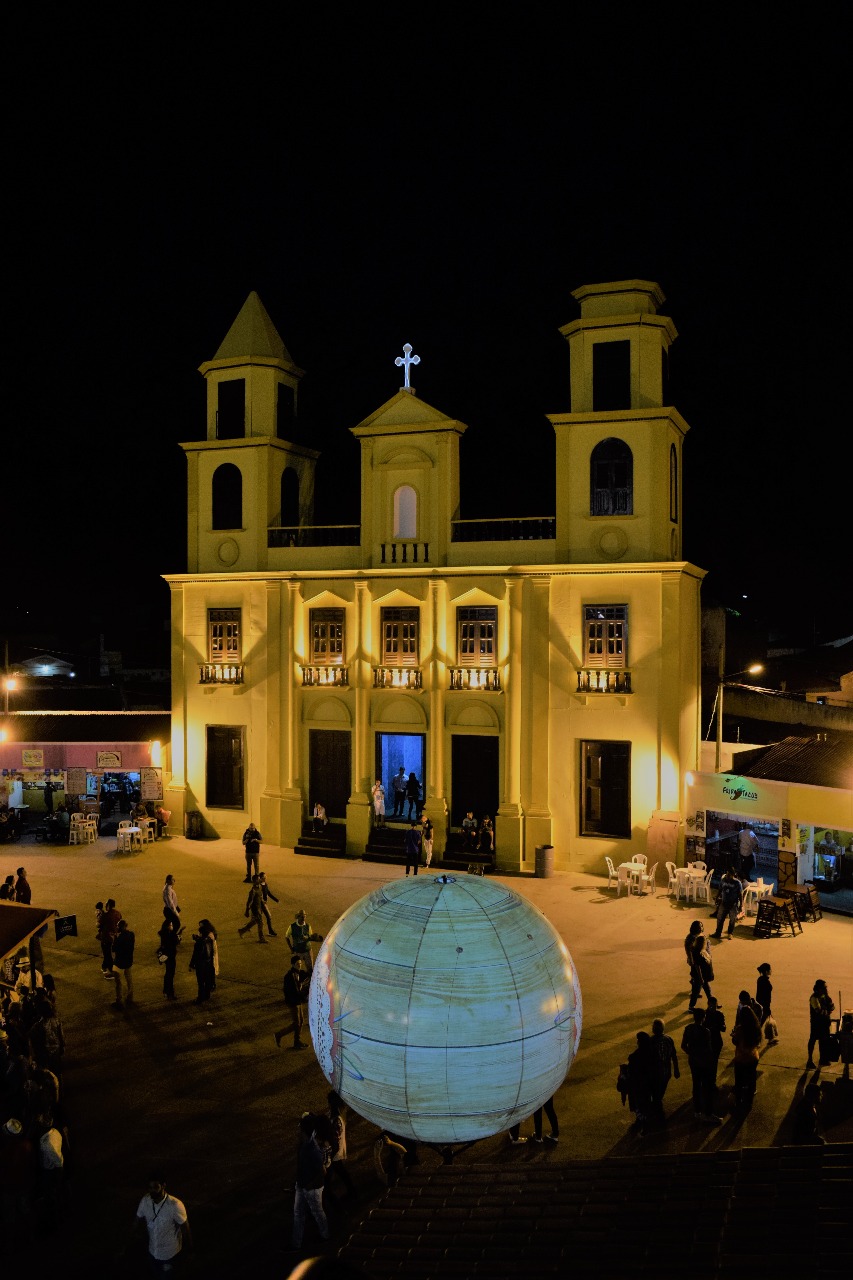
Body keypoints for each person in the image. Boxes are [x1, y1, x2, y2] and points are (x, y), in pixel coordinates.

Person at [135, 1174, 192, 1273]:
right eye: (150, 1188)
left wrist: (190, 1250)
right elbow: (136, 1220)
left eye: (156, 1187)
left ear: (163, 1186)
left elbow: (185, 1229)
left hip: (169, 1254)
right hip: (152, 1252)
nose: (152, 1191)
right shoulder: (145, 1201)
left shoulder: (175, 1205)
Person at [292, 1113, 330, 1249]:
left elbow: (322, 1171)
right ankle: (296, 1244)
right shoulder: (306, 1144)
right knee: (299, 1213)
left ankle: (324, 1236)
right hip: (304, 1185)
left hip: (311, 1188)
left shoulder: (312, 1149)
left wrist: (309, 1185)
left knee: (316, 1212)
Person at [681, 1007, 721, 1122]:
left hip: (693, 1061)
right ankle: (708, 1113)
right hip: (704, 1062)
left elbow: (683, 1046)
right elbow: (709, 1050)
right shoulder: (706, 1031)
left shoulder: (688, 1028)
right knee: (707, 1087)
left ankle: (697, 1111)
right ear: (704, 1018)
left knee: (696, 1085)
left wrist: (692, 1053)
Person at [731, 1005, 762, 1113]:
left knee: (739, 1081)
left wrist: (733, 1035)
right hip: (753, 1057)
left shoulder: (740, 1029)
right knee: (751, 1078)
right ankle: (749, 1102)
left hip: (741, 1058)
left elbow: (735, 1041)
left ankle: (738, 1102)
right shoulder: (756, 1027)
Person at [648, 1018, 680, 1122]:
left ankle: (655, 1111)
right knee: (660, 1092)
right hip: (666, 1072)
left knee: (655, 1093)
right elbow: (674, 1056)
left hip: (654, 1073)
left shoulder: (650, 1041)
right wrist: (676, 1069)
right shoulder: (668, 1039)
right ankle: (657, 1108)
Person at [325, 1090, 355, 1198]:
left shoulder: (336, 1119)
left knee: (335, 1172)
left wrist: (331, 1153)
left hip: (334, 1152)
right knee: (340, 1172)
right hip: (334, 1152)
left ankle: (351, 1193)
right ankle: (351, 1191)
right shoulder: (336, 1115)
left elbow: (336, 1139)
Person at [276, 953, 309, 1050]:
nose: (299, 965)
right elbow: (295, 992)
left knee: (301, 1021)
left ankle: (297, 1041)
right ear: (293, 964)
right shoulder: (290, 976)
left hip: (297, 1000)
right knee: (296, 1023)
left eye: (300, 963)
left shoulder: (299, 973)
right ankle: (279, 1035)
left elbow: (306, 975)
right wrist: (306, 997)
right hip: (293, 1002)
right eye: (297, 964)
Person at [626, 1031, 655, 1135]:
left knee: (639, 1104)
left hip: (638, 1085)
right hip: (648, 1084)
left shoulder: (634, 1057)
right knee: (646, 1103)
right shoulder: (651, 1053)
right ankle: (645, 1122)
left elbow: (631, 1072)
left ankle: (642, 1121)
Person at [685, 919, 713, 1009]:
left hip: (703, 967)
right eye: (699, 926)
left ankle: (712, 1002)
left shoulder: (702, 938)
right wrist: (690, 959)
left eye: (701, 926)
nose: (701, 928)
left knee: (706, 988)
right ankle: (691, 1006)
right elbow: (696, 964)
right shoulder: (692, 941)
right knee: (697, 989)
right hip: (700, 972)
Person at [807, 979, 835, 1068]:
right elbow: (819, 1011)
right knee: (813, 1040)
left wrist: (828, 1009)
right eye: (824, 987)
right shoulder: (814, 998)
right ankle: (809, 1060)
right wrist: (827, 1011)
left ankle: (823, 1059)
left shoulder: (824, 996)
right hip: (816, 1023)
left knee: (823, 1041)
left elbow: (832, 1007)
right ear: (819, 988)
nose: (826, 989)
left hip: (824, 1023)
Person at [285, 908, 323, 974]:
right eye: (302, 917)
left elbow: (311, 937)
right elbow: (286, 937)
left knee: (310, 969)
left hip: (307, 951)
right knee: (296, 969)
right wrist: (291, 948)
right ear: (298, 917)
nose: (303, 919)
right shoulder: (292, 926)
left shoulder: (308, 926)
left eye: (304, 917)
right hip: (298, 951)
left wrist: (314, 938)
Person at [189, 920, 216, 1003]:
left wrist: (191, 965)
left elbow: (195, 955)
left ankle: (200, 998)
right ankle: (207, 995)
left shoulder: (199, 943)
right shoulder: (210, 940)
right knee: (207, 980)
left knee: (201, 982)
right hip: (208, 964)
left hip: (200, 965)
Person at [712, 867, 743, 939]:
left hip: (733, 904)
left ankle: (730, 933)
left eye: (729, 875)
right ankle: (718, 933)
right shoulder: (723, 880)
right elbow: (720, 890)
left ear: (733, 875)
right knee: (720, 918)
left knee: (732, 919)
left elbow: (740, 895)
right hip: (724, 902)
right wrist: (717, 898)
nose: (728, 876)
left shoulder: (737, 883)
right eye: (727, 874)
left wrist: (741, 905)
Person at [112, 919, 135, 1010]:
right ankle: (130, 997)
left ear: (121, 927)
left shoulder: (120, 939)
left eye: (118, 926)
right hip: (128, 961)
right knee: (129, 979)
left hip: (119, 962)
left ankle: (119, 1000)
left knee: (118, 981)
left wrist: (115, 938)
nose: (117, 927)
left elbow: (114, 949)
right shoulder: (131, 935)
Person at [238, 874, 268, 943]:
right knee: (261, 923)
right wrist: (247, 911)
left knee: (254, 921)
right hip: (255, 909)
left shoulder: (259, 887)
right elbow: (249, 901)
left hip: (259, 908)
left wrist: (263, 901)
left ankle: (242, 930)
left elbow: (260, 897)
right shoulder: (253, 891)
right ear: (254, 881)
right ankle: (261, 938)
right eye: (258, 879)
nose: (260, 879)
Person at [158, 912, 180, 1000]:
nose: (172, 926)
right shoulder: (169, 935)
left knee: (168, 974)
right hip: (171, 957)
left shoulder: (164, 934)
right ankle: (169, 992)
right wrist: (178, 938)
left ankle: (166, 991)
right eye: (171, 925)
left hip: (167, 957)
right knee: (170, 975)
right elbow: (174, 943)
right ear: (168, 926)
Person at [99, 898, 123, 978]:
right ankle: (104, 966)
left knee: (107, 954)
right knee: (108, 953)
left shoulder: (106, 915)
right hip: (114, 936)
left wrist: (99, 917)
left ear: (108, 905)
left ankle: (110, 971)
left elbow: (99, 925)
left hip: (106, 937)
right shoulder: (118, 913)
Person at [258, 872, 279, 936]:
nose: (265, 878)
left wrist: (276, 899)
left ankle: (245, 928)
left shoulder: (265, 884)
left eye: (265, 877)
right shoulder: (259, 886)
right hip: (260, 904)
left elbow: (268, 893)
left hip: (264, 904)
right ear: (260, 878)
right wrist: (262, 901)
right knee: (268, 916)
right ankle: (270, 931)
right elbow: (258, 895)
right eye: (263, 877)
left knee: (255, 919)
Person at [755, 963, 773, 1027]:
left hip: (760, 1006)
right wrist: (768, 1009)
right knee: (759, 1026)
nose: (771, 970)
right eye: (770, 969)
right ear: (766, 971)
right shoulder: (765, 981)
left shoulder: (760, 980)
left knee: (758, 1025)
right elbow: (766, 997)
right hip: (764, 1007)